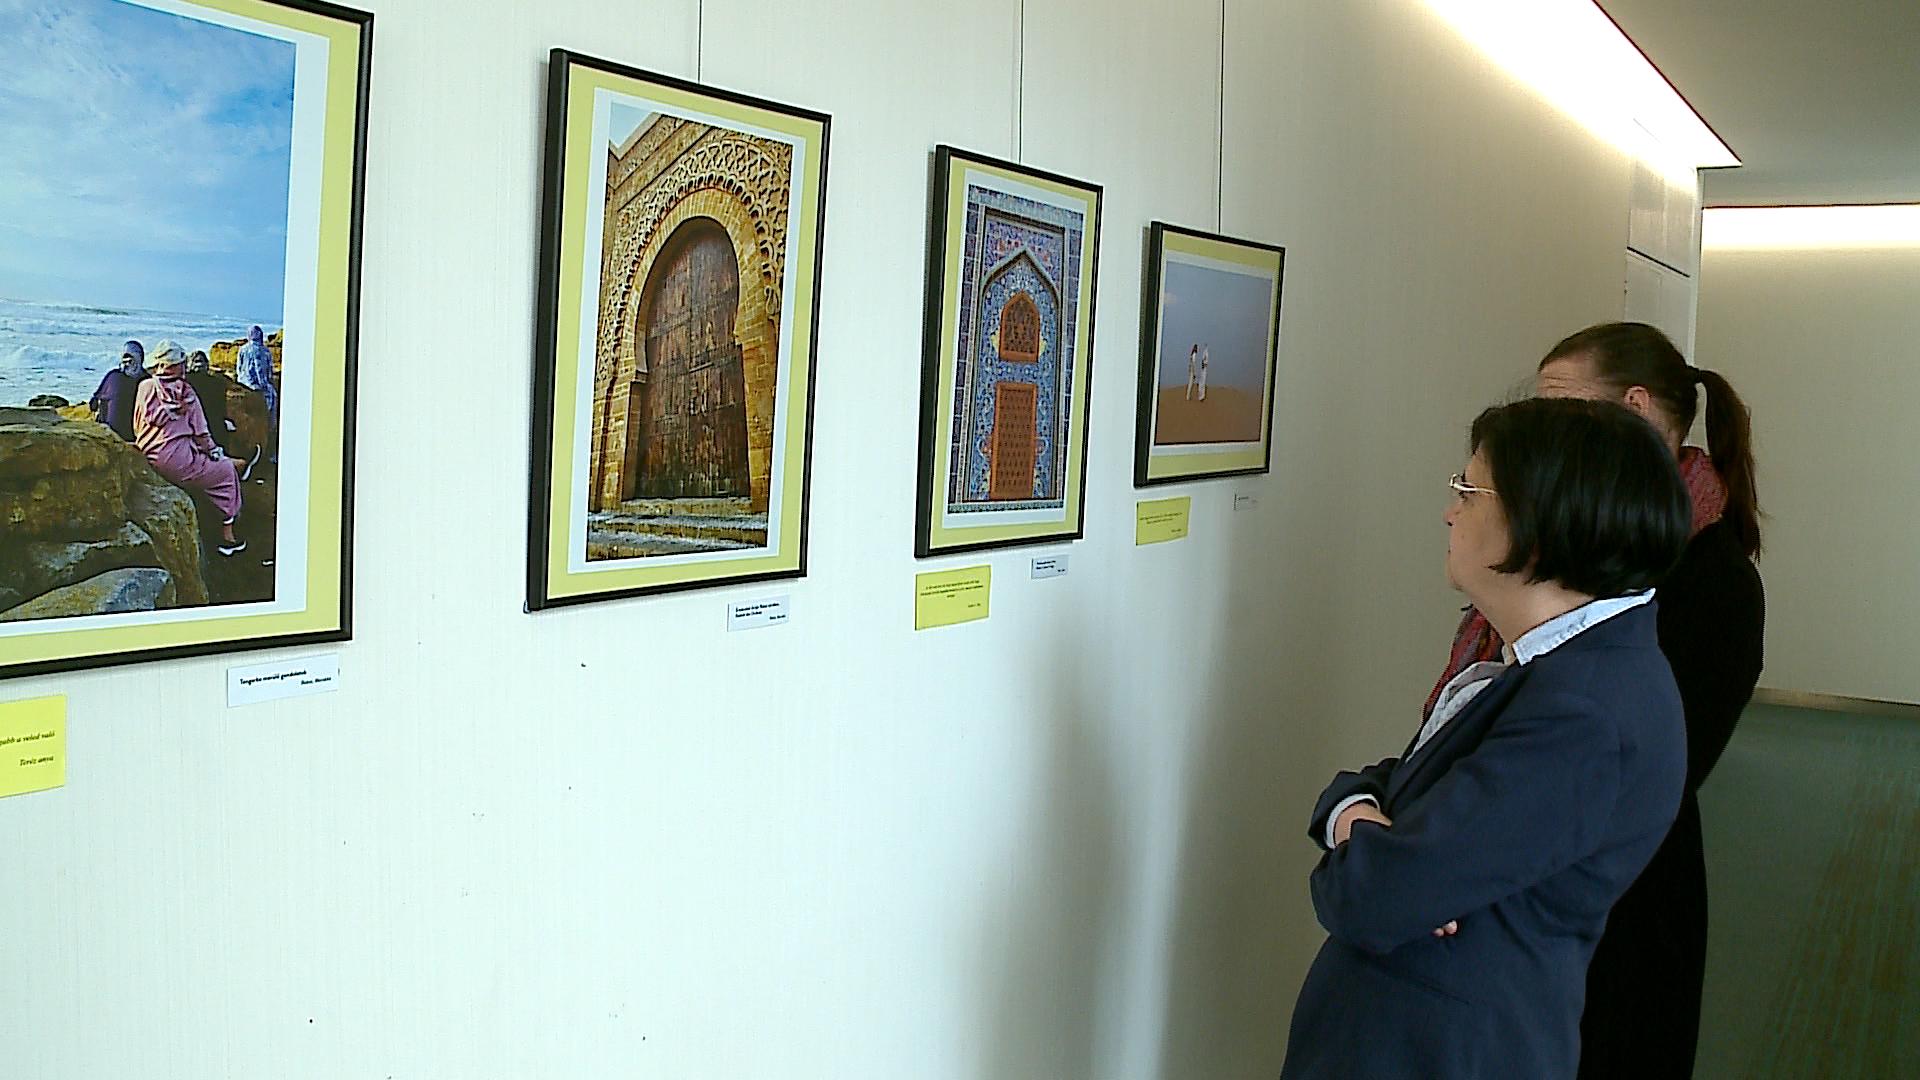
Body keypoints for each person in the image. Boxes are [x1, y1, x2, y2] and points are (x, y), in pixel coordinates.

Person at [1280, 397, 1692, 1080]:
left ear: (1540, 524)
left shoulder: (1585, 713)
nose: (1449, 512)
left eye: (1468, 491)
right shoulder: (1558, 666)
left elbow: (1372, 898)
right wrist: (1357, 817)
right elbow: (1393, 785)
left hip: (1445, 1052)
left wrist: (1381, 850)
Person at [1529, 322, 1766, 1079]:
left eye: (1560, 408)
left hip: (1625, 902)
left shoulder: (1714, 580)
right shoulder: (1579, 544)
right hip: (1544, 887)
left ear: (1634, 408)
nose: (1541, 434)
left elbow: (1647, 772)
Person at [133, 340, 252, 556]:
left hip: (148, 454)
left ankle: (236, 466)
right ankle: (227, 537)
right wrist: (215, 452)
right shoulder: (185, 392)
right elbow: (201, 434)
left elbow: (137, 424)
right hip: (178, 462)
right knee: (225, 472)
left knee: (209, 460)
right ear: (176, 365)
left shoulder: (145, 387)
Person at [88, 340, 148, 441]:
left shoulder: (113, 376)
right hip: (136, 437)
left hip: (111, 435)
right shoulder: (148, 380)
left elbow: (93, 404)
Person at [236, 324, 277, 459]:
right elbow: (266, 373)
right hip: (259, 388)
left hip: (243, 384)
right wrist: (266, 384)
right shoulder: (264, 351)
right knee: (272, 404)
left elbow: (239, 370)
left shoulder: (242, 349)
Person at [183, 349, 233, 456]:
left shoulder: (185, 382)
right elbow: (222, 408)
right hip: (214, 427)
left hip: (193, 428)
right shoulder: (218, 383)